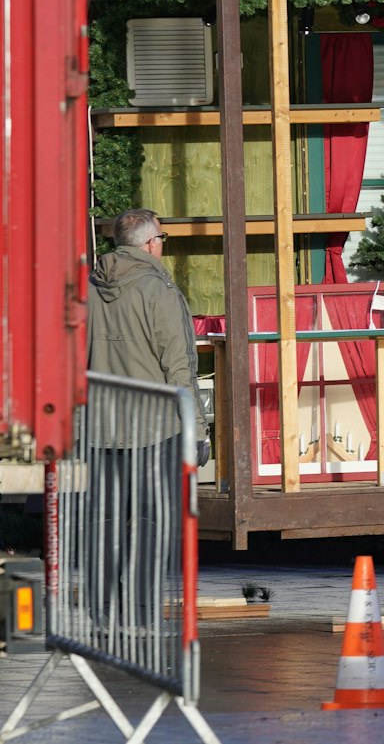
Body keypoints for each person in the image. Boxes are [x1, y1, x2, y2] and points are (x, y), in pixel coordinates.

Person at [86, 209, 195, 627]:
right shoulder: (159, 290)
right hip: (153, 430)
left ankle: (101, 615)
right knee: (149, 524)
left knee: (102, 524)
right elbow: (179, 366)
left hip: (98, 428)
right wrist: (196, 432)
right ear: (151, 244)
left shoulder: (89, 287)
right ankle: (142, 615)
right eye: (162, 238)